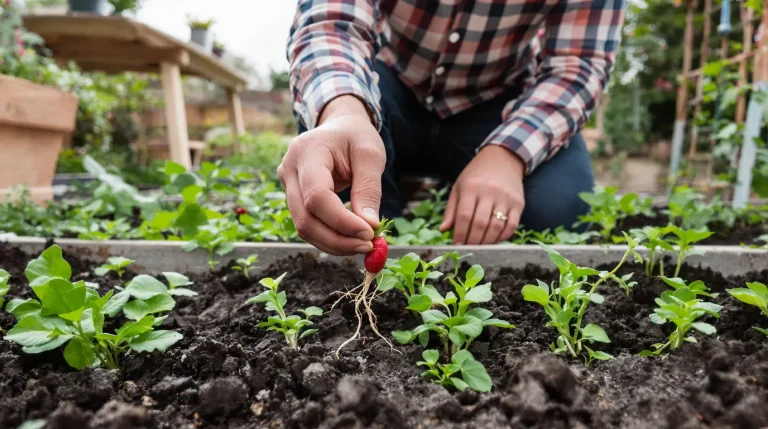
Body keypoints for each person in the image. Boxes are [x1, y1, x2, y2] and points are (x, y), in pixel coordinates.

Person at [279, 0, 626, 256]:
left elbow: (577, 66)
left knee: (559, 210)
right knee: (341, 198)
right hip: (388, 87)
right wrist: (342, 113)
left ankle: (461, 186)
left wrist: (508, 156)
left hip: (499, 100)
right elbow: (332, 22)